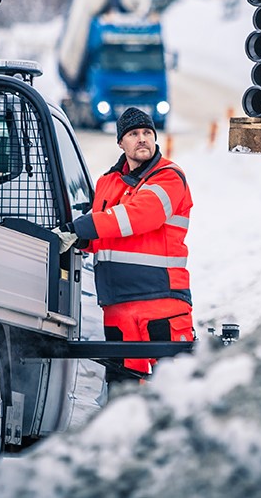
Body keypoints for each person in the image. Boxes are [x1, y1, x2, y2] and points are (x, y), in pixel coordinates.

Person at [54, 107, 194, 375]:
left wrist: (80, 227)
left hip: (160, 302)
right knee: (122, 390)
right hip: (117, 306)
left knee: (173, 388)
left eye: (147, 133)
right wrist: (78, 239)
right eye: (133, 133)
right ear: (121, 142)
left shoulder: (169, 176)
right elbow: (104, 234)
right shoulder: (107, 182)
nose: (142, 138)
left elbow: (139, 216)